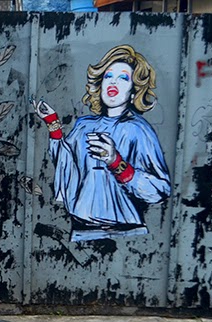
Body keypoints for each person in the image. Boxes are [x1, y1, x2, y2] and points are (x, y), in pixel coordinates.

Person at [31, 45, 171, 242]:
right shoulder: (84, 126)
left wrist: (116, 162)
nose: (113, 81)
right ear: (100, 84)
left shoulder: (138, 130)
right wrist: (52, 123)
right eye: (108, 76)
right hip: (81, 230)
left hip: (127, 233)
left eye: (123, 78)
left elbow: (160, 189)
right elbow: (65, 167)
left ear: (134, 92)